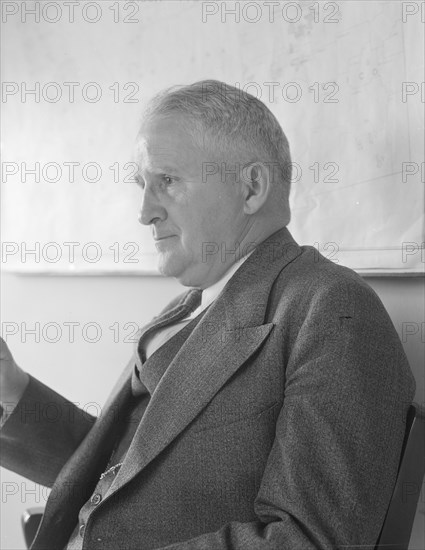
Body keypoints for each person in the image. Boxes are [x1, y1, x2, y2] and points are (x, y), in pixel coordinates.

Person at [0, 79, 416, 550]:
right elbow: (128, 483)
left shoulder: (331, 309)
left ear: (251, 187)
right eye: (143, 185)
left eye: (168, 181)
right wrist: (13, 393)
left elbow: (311, 540)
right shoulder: (185, 307)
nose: (144, 212)